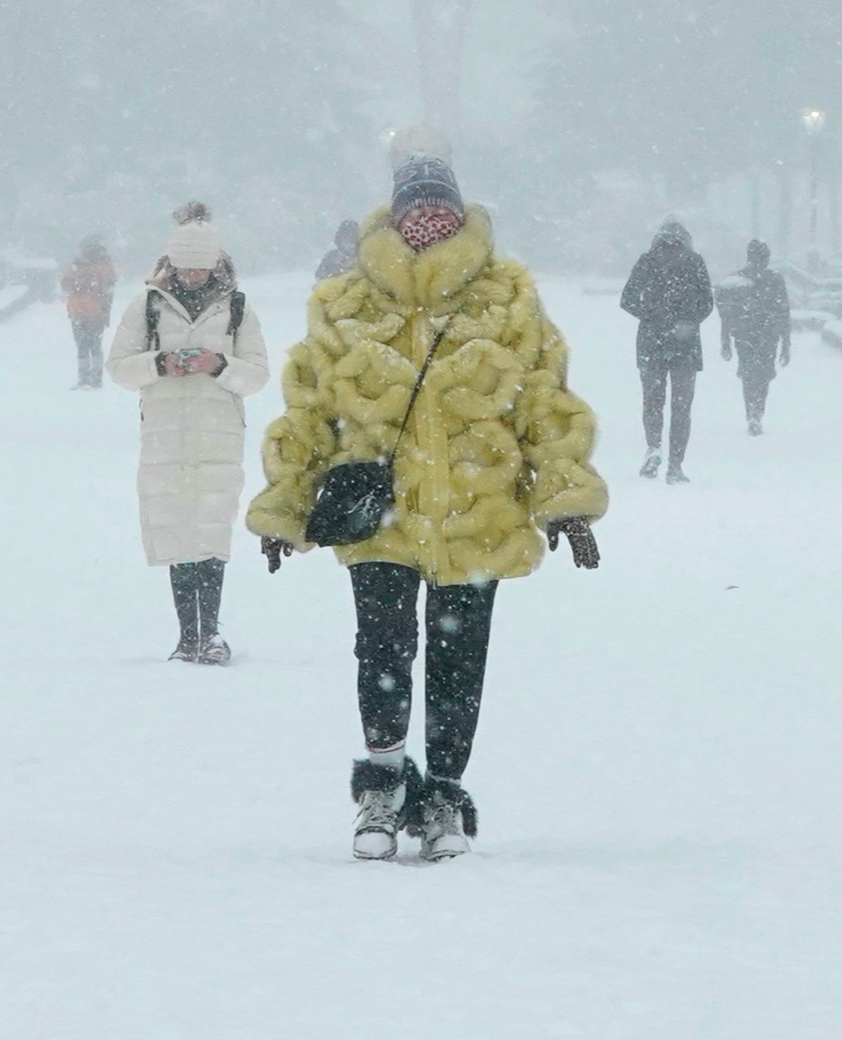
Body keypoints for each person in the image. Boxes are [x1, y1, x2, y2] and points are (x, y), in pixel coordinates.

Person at [252, 129, 606, 863]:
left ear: (460, 214)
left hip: (478, 516)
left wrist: (566, 499)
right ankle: (381, 784)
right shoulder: (344, 303)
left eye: (439, 212)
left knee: (458, 661)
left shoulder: (508, 298)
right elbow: (309, 414)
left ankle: (443, 791)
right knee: (380, 648)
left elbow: (545, 402)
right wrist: (285, 505)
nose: (427, 225)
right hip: (378, 514)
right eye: (415, 211)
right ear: (391, 215)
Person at [109, 203, 272, 663]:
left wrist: (218, 366)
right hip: (164, 433)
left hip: (219, 433)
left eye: (203, 266)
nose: (196, 275)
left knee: (211, 529)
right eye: (187, 267)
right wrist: (161, 364)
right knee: (176, 530)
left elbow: (257, 375)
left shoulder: (238, 308)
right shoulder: (147, 306)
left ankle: (211, 633)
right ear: (173, 265)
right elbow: (120, 366)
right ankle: (188, 635)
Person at [618, 218, 716, 483]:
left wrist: (650, 317)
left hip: (652, 343)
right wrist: (687, 322)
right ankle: (675, 465)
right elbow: (708, 302)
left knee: (653, 402)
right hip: (686, 346)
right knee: (682, 407)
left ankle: (653, 447)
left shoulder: (647, 260)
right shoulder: (694, 262)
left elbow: (627, 299)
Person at [717, 237, 794, 434]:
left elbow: (727, 314)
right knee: (762, 376)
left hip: (748, 334)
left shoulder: (739, 280)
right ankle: (756, 412)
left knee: (750, 375)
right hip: (766, 335)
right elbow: (784, 313)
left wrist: (725, 340)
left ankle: (752, 412)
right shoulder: (773, 280)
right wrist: (785, 344)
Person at [60, 234, 117, 387]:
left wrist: (83, 281)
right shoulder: (82, 264)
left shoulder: (99, 265)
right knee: (85, 346)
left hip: (89, 312)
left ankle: (93, 378)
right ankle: (86, 377)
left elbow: (107, 286)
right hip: (83, 311)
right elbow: (65, 283)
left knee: (90, 346)